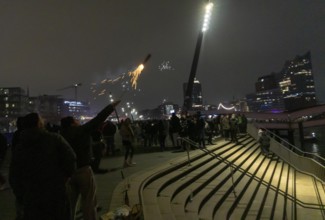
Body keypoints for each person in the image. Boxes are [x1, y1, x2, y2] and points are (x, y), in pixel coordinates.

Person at [60, 100, 120, 220]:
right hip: (83, 170)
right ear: (72, 124)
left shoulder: (60, 136)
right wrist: (110, 107)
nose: (78, 121)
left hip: (68, 173)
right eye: (75, 120)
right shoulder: (80, 130)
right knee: (88, 201)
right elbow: (98, 120)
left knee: (70, 203)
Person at [9, 113, 76, 220]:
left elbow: (14, 175)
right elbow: (71, 159)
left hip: (31, 197)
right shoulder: (55, 139)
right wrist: (65, 178)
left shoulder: (20, 147)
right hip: (56, 194)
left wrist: (21, 195)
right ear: (38, 123)